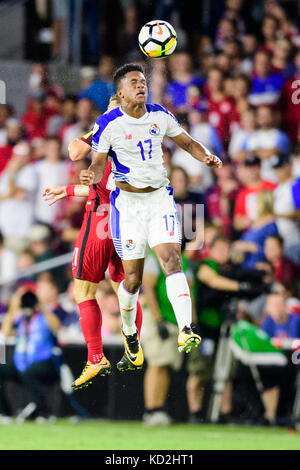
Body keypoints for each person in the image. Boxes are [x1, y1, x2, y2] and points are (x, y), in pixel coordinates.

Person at [83, 63, 222, 371]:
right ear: (120, 92)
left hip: (159, 199)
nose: (141, 86)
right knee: (131, 279)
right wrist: (90, 175)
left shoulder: (160, 114)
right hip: (128, 206)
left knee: (172, 259)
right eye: (134, 82)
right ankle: (130, 331)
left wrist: (206, 156)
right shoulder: (109, 123)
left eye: (143, 81)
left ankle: (186, 328)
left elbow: (186, 142)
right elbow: (97, 162)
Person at [43, 95, 143, 389]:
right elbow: (109, 184)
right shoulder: (139, 140)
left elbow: (74, 152)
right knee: (124, 289)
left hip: (100, 220)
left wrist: (101, 121)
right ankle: (133, 348)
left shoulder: (107, 127)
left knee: (84, 290)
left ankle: (96, 356)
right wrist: (70, 189)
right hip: (127, 220)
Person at [142, 250, 193, 426]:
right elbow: (147, 287)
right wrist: (157, 320)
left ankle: (159, 408)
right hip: (160, 318)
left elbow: (189, 289)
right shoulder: (155, 257)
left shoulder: (183, 260)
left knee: (166, 364)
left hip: (175, 319)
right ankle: (151, 409)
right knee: (156, 363)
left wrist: (189, 321)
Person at [0, 289, 61, 422]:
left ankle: (45, 413)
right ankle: (4, 413)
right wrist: (14, 305)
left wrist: (40, 303)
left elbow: (56, 326)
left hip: (44, 363)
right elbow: (5, 332)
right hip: (22, 364)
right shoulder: (21, 320)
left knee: (30, 373)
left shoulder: (44, 318)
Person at [271, 153, 300, 264]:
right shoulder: (278, 188)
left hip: (295, 239)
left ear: (289, 166)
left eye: (280, 167)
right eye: (276, 168)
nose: (278, 171)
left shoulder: (296, 185)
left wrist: (278, 215)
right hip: (282, 242)